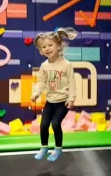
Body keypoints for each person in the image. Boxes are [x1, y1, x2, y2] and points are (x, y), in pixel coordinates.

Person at [31, 27, 78, 162]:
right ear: (41, 50)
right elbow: (41, 82)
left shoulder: (66, 65)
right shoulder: (44, 66)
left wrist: (71, 99)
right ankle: (44, 148)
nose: (47, 48)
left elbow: (72, 83)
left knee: (56, 124)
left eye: (50, 45)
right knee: (44, 125)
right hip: (50, 102)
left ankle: (57, 148)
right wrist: (36, 94)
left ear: (58, 46)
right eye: (43, 47)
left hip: (62, 102)